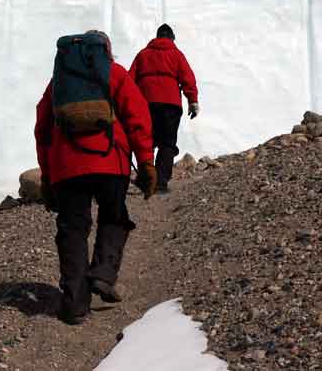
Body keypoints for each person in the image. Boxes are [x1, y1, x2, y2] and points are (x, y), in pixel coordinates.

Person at [34, 30, 157, 325]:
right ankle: (102, 274)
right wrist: (146, 162)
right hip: (110, 159)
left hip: (67, 167)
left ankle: (75, 305)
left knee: (73, 230)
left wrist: (48, 175)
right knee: (114, 217)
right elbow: (137, 116)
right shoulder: (114, 74)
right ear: (105, 51)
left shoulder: (60, 82)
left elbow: (42, 127)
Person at [129, 23, 199, 193]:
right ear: (172, 38)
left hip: (146, 104)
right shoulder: (177, 55)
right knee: (167, 143)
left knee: (147, 141)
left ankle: (146, 181)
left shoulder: (143, 55)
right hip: (170, 105)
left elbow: (129, 79)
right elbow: (187, 77)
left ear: (157, 36)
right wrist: (192, 101)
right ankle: (160, 184)